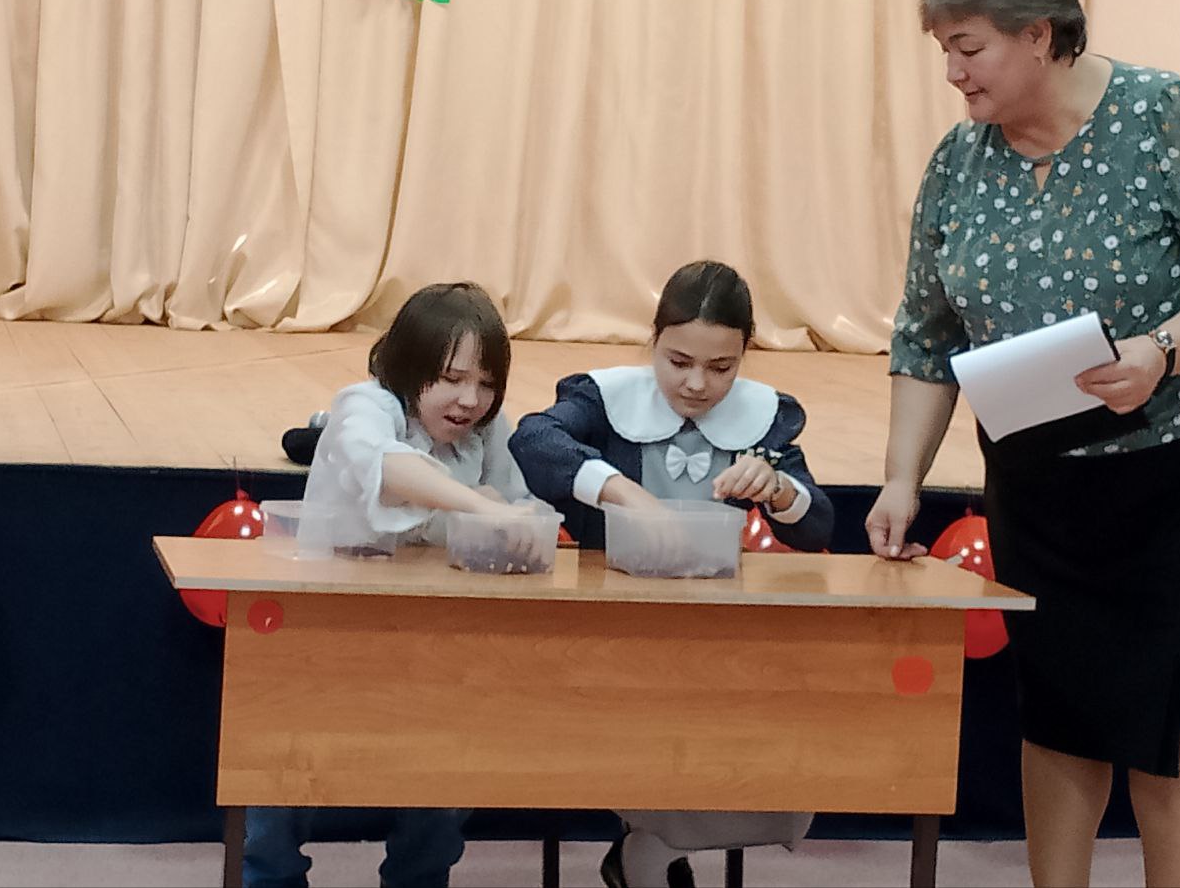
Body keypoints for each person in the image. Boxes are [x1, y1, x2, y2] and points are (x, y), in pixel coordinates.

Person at [865, 0, 1180, 887]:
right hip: (1041, 479)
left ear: (1039, 35)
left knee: (1174, 716)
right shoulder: (959, 163)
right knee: (1059, 708)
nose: (953, 73)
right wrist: (899, 480)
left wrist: (1160, 352)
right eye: (944, 50)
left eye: (969, 47)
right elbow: (926, 336)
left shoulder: (1173, 118)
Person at [509, 259, 834, 888]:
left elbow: (817, 526)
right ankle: (650, 848)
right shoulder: (602, 399)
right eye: (678, 361)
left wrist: (777, 489)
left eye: (722, 368)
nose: (697, 384)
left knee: (775, 751)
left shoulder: (765, 418)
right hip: (611, 631)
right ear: (652, 341)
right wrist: (623, 492)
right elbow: (534, 441)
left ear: (745, 356)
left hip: (715, 633)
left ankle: (651, 850)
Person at [245, 282, 537, 888]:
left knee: (447, 764)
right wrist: (481, 505)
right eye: (452, 379)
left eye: (486, 384)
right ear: (408, 368)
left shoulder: (488, 432)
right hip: (327, 630)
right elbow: (386, 466)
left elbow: (521, 511)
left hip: (435, 637)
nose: (470, 400)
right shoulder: (366, 404)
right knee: (282, 759)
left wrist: (516, 517)